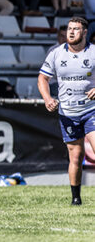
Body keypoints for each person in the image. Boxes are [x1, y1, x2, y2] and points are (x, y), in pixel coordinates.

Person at [38, 17, 95, 205]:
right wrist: (47, 99)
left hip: (91, 109)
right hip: (68, 112)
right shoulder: (56, 53)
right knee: (76, 157)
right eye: (69, 29)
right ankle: (76, 198)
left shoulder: (93, 52)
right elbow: (42, 79)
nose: (71, 32)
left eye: (76, 29)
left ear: (84, 32)